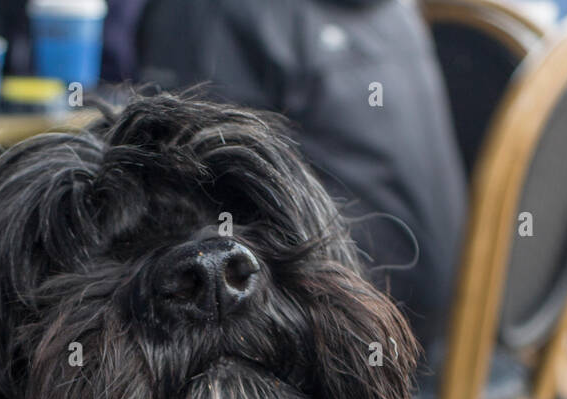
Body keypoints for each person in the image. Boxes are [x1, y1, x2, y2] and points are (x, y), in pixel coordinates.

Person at [137, 0, 467, 372]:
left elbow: (177, 194)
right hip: (455, 322)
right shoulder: (400, 10)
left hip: (355, 347)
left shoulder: (211, 11)